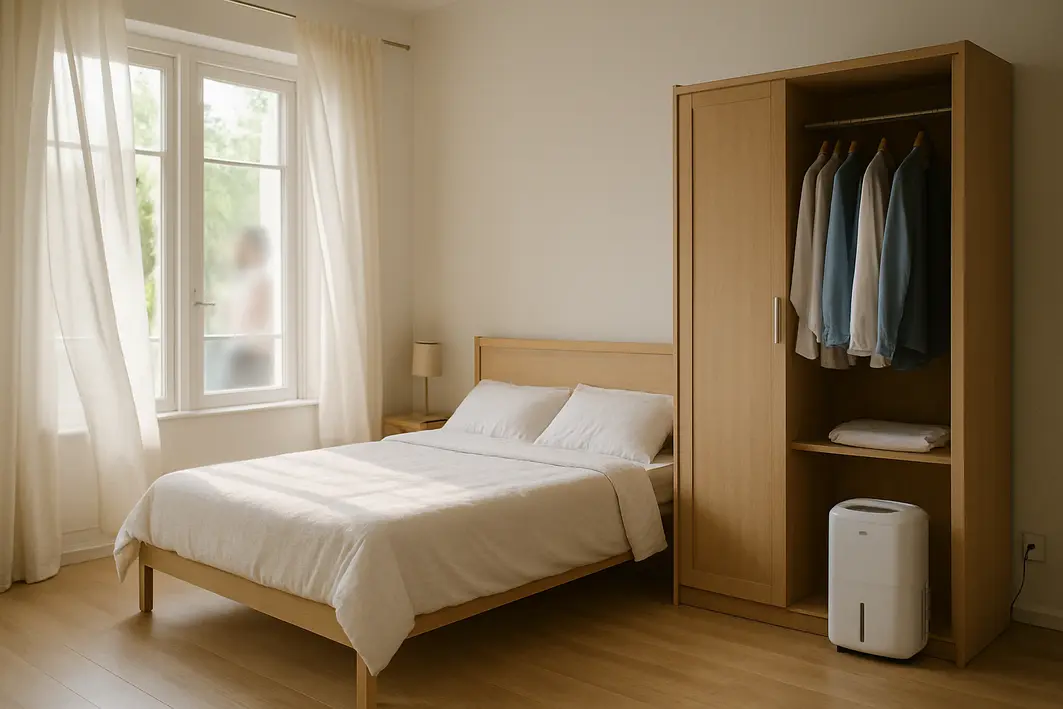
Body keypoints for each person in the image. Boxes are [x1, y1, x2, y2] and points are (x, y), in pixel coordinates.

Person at [222, 226, 275, 389]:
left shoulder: (261, 279)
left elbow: (257, 316)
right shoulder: (244, 278)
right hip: (240, 351)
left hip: (254, 353)